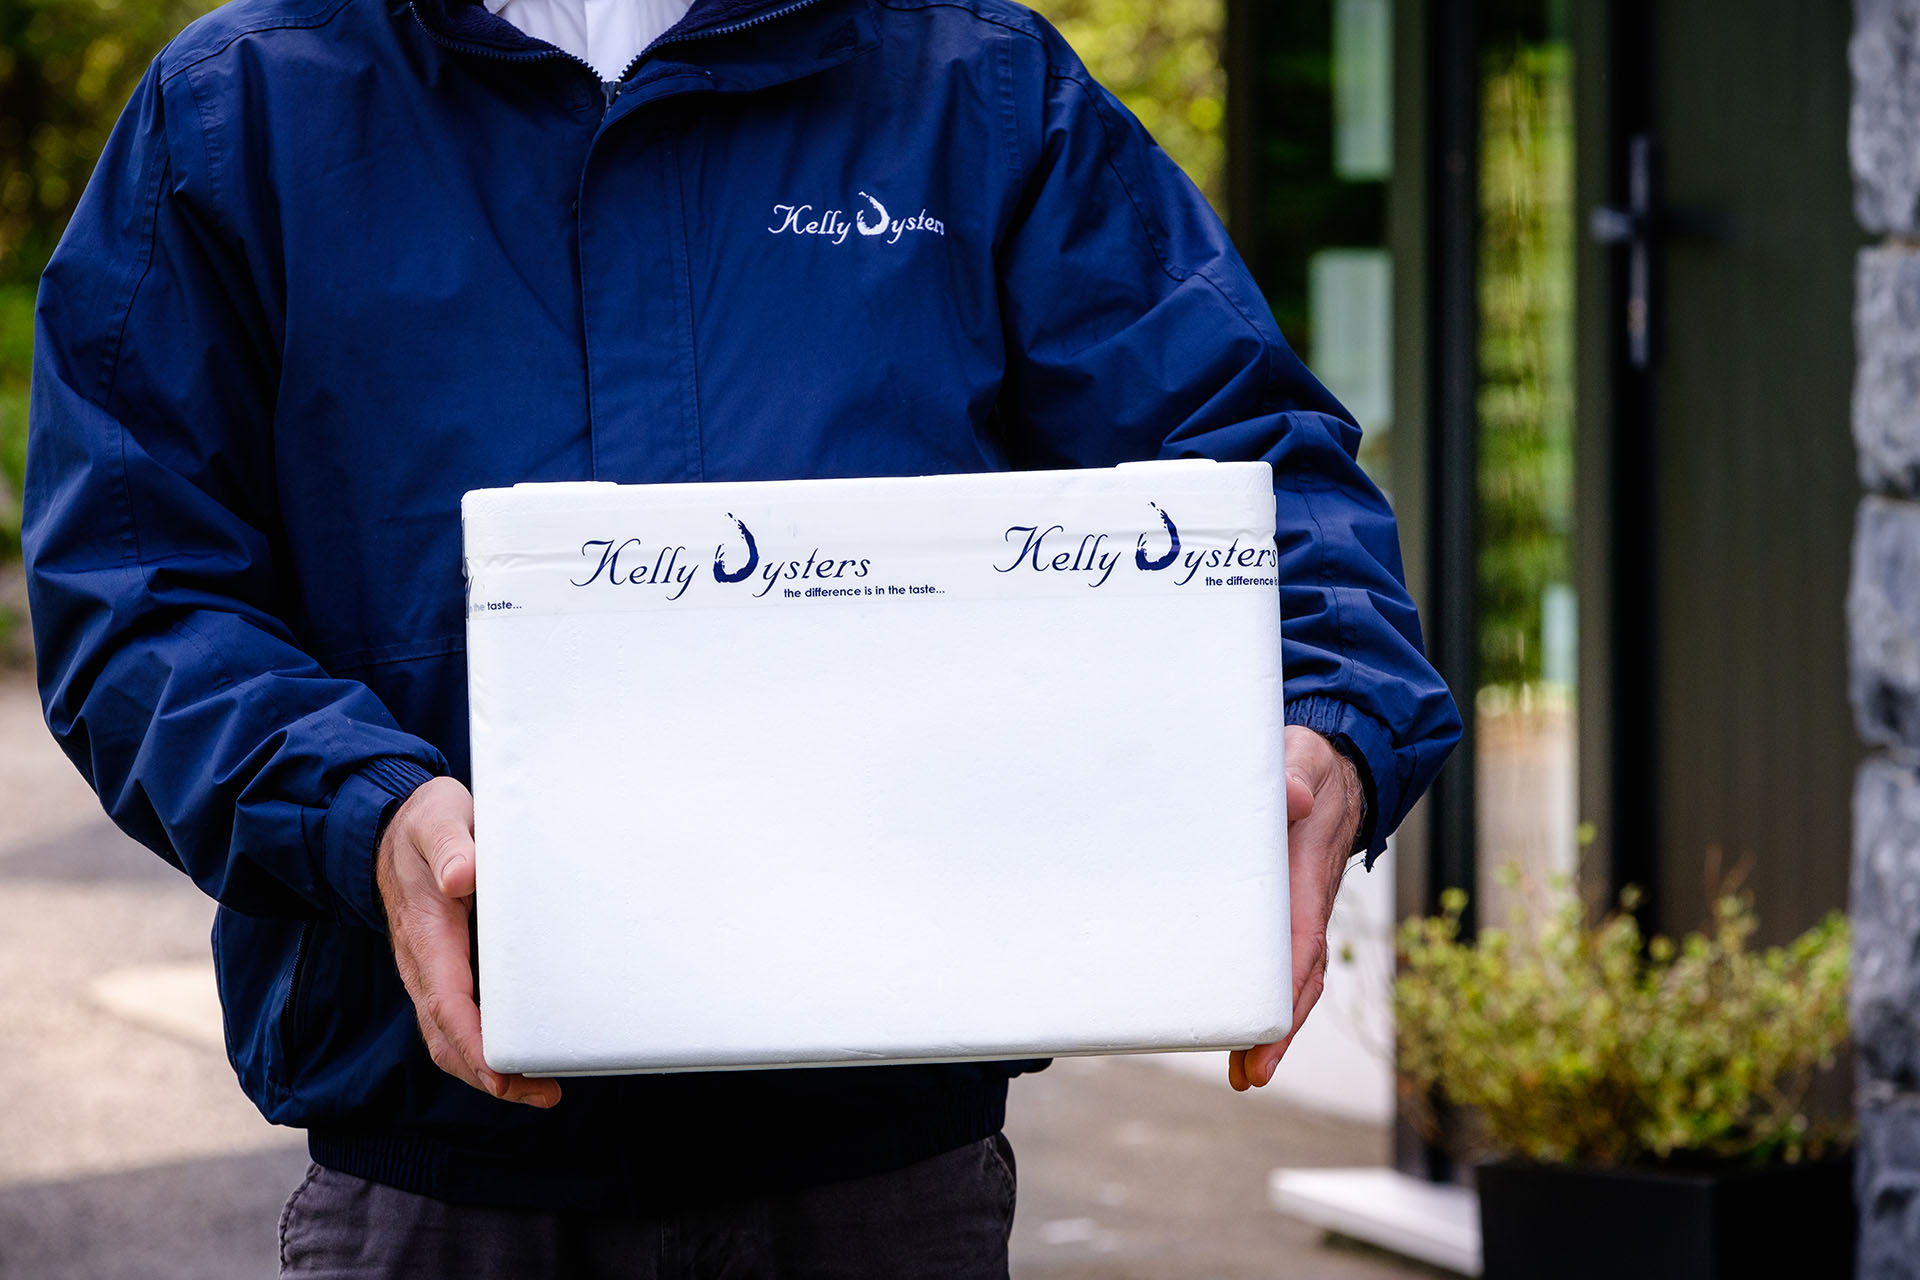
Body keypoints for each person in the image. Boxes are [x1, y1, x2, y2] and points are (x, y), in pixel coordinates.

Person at [22, 0, 1463, 1274]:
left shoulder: (975, 87)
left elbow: (1251, 464)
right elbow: (135, 585)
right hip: (437, 1187)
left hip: (885, 1189)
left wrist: (1331, 715)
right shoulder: (242, 110)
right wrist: (365, 806)